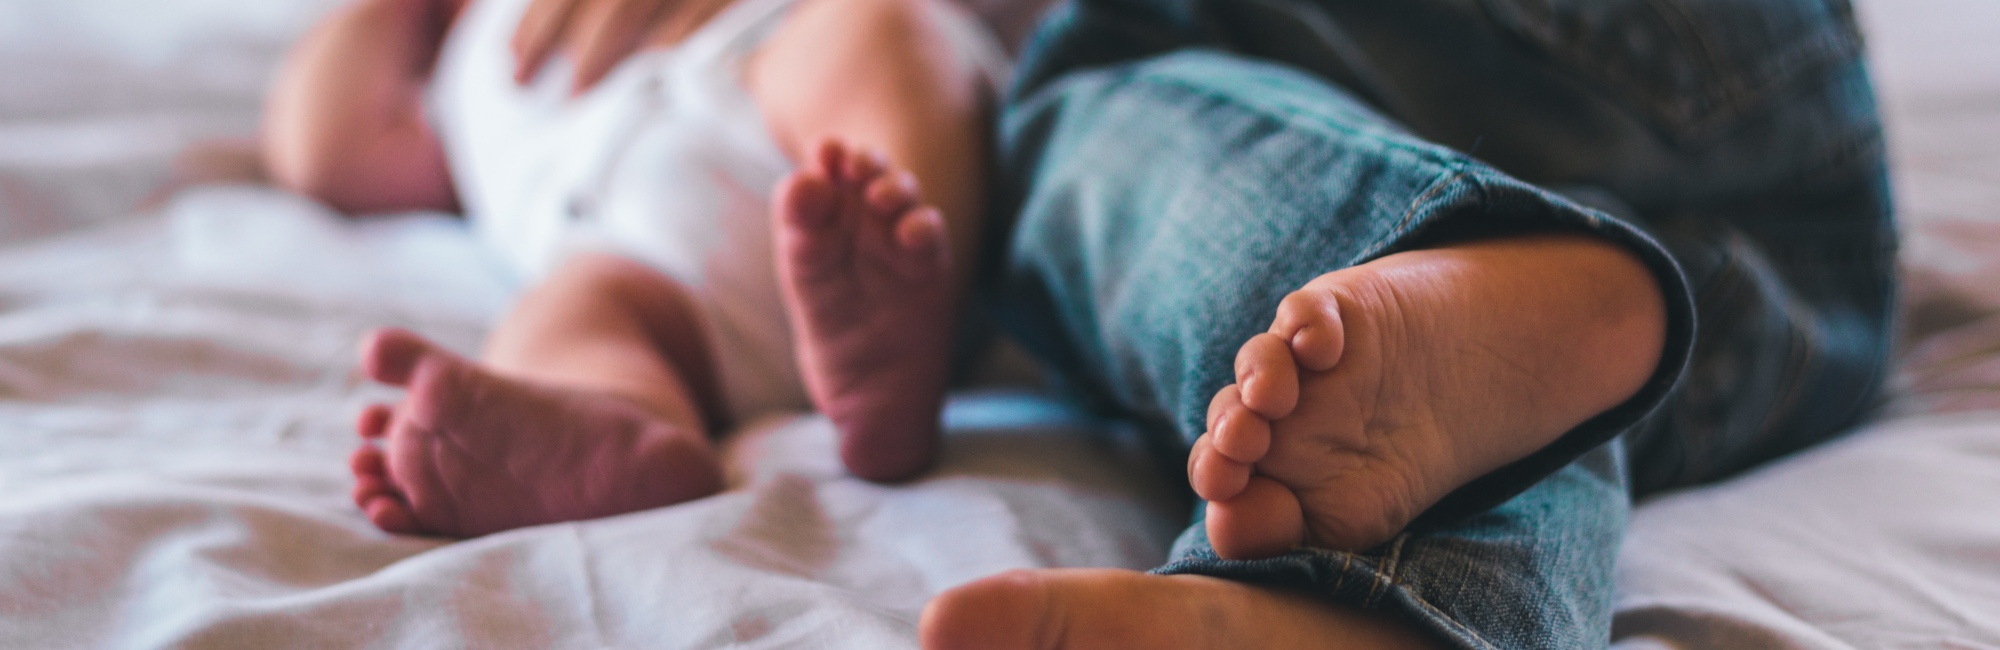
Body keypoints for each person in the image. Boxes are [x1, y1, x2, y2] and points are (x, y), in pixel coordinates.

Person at [911, 0, 1897, 647]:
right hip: (1808, 190)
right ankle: (1375, 616)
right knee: (1517, 390)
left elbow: (882, 39)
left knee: (1096, 107)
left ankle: (1440, 245)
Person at [259, 0, 1011, 536]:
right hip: (642, 258)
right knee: (572, 315)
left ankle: (900, 292)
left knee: (875, 33)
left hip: (779, 69)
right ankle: (614, 422)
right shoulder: (461, 50)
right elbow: (323, 151)